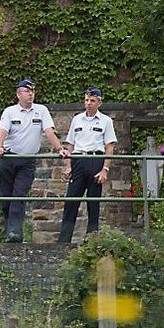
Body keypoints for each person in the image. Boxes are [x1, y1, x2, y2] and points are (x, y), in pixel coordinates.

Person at [0, 78, 69, 242]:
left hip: (27, 162)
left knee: (18, 196)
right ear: (18, 94)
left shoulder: (41, 110)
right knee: (6, 199)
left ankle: (15, 233)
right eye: (27, 91)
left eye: (32, 91)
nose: (31, 94)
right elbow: (2, 132)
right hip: (9, 158)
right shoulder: (9, 112)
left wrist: (60, 149)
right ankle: (10, 232)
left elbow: (49, 131)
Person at [58, 88, 117, 243]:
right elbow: (70, 144)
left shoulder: (106, 121)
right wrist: (68, 165)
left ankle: (92, 241)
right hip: (78, 160)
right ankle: (64, 241)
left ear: (99, 102)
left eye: (92, 101)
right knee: (71, 201)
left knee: (93, 203)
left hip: (95, 160)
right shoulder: (77, 119)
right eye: (86, 100)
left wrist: (105, 169)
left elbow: (109, 146)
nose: (88, 103)